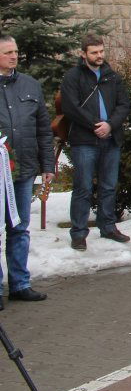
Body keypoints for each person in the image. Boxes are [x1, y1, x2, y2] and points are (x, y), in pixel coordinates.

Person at [61, 33, 131, 250]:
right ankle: (79, 232)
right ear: (83, 54)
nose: (100, 56)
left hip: (110, 138)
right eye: (94, 53)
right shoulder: (73, 77)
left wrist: (110, 125)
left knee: (108, 186)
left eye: (102, 51)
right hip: (84, 140)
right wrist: (95, 125)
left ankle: (108, 226)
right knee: (83, 187)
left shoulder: (112, 76)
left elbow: (124, 104)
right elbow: (71, 107)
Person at [0, 34, 54, 305]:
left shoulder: (30, 85)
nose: (14, 56)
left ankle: (20, 283)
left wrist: (48, 165)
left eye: (16, 51)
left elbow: (44, 130)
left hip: (23, 171)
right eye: (8, 52)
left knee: (19, 228)